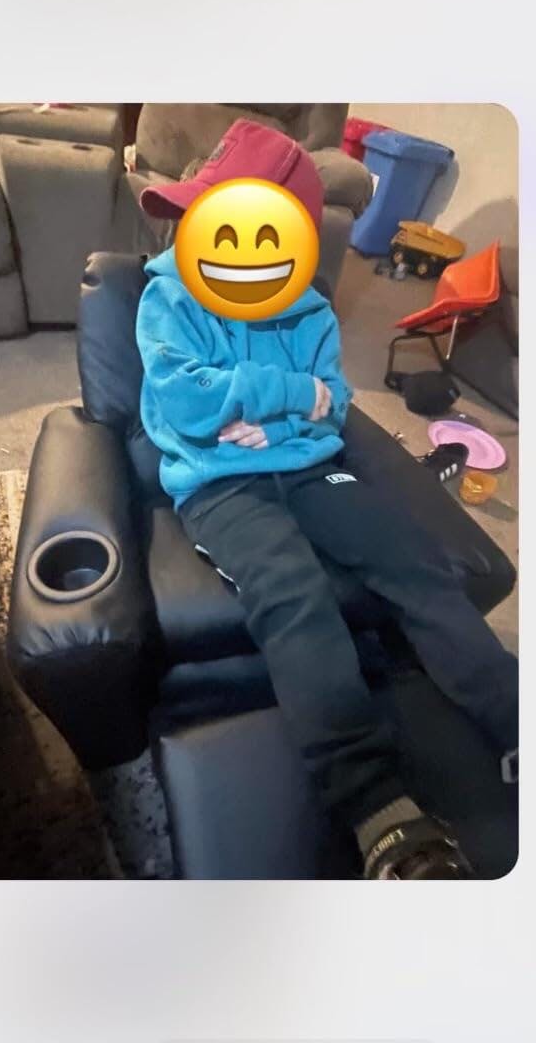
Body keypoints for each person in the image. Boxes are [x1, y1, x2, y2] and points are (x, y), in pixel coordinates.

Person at [135, 119, 518, 879]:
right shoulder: (169, 295)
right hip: (220, 481)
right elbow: (187, 402)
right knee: (292, 595)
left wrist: (273, 411)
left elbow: (333, 402)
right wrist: (288, 393)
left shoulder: (308, 310)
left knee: (412, 565)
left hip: (313, 468)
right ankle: (376, 805)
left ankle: (511, 717)